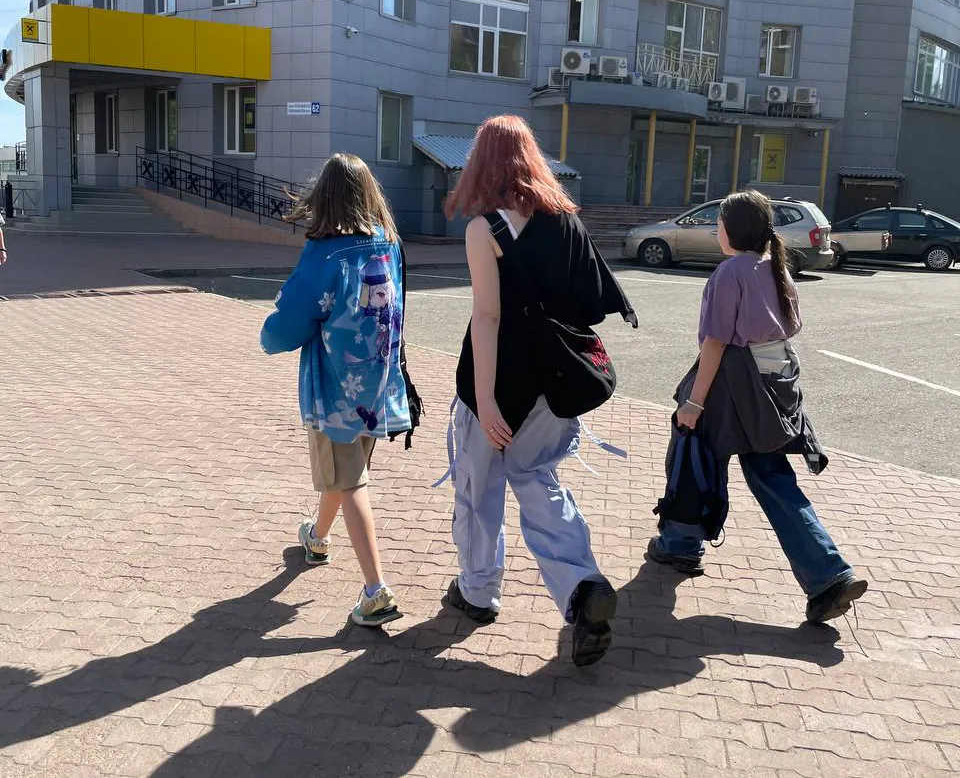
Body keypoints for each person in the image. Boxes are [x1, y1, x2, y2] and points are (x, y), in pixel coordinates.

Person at [443, 114, 637, 667]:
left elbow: (487, 317)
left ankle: (478, 592)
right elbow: (591, 303)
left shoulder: (484, 229)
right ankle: (582, 587)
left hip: (500, 384)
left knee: (478, 490)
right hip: (555, 385)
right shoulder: (567, 221)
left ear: (482, 163)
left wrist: (485, 401)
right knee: (539, 482)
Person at [648, 190, 868, 624]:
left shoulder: (730, 272)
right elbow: (790, 327)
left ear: (730, 230)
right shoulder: (776, 266)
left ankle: (680, 544)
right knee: (771, 474)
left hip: (735, 380)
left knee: (692, 449)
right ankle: (828, 574)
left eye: (719, 222)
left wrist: (694, 401)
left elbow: (716, 343)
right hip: (776, 378)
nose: (716, 229)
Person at [260, 153, 411, 627]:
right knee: (346, 471)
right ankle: (317, 537)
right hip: (378, 387)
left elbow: (290, 322)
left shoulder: (325, 254)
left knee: (349, 481)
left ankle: (376, 589)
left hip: (335, 392)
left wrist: (269, 334)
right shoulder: (388, 244)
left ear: (323, 198)